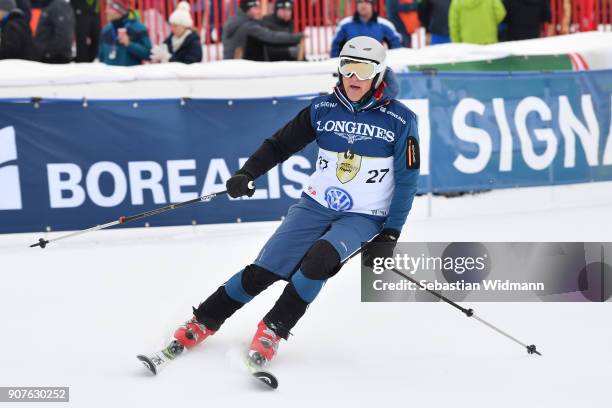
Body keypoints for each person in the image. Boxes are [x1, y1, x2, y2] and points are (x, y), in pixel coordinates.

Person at [142, 36, 420, 371]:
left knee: (319, 261)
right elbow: (279, 145)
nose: (354, 78)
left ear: (379, 74)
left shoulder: (400, 120)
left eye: (363, 70)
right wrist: (247, 173)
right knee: (265, 270)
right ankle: (203, 320)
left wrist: (391, 232)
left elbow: (407, 179)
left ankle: (273, 329)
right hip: (316, 205)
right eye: (348, 67)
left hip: (363, 215)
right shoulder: (322, 109)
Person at [222, 0, 302, 60]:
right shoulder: (248, 26)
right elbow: (271, 37)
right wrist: (295, 37)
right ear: (248, 9)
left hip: (233, 64)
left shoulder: (234, 21)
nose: (259, 11)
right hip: (244, 68)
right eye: (256, 8)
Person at [330, 0, 403, 58]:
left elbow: (396, 48)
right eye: (360, 2)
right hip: (351, 68)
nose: (363, 5)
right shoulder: (345, 25)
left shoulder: (384, 25)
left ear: (372, 5)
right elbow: (335, 49)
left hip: (376, 67)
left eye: (366, 2)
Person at [98, 0, 151, 66]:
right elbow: (101, 57)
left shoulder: (139, 29)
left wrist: (129, 44)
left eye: (109, 8)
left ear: (119, 10)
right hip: (109, 75)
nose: (106, 11)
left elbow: (149, 55)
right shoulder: (106, 30)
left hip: (130, 75)